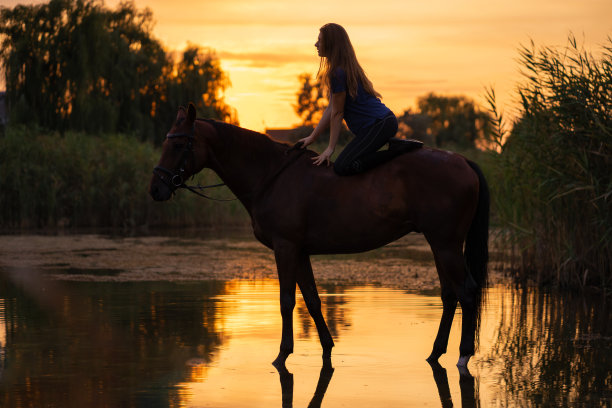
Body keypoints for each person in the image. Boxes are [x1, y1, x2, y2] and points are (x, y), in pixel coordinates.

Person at [298, 23, 417, 176]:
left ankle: (399, 152)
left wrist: (330, 149)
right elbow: (331, 109)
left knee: (342, 166)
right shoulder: (341, 70)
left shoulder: (338, 73)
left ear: (331, 44)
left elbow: (337, 113)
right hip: (381, 123)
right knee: (348, 163)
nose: (316, 44)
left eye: (320, 41)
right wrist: (313, 137)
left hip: (379, 124)